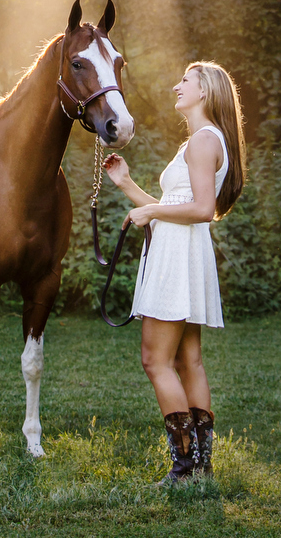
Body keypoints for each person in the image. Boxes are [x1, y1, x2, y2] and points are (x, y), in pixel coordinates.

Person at [103, 61, 246, 483]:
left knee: (156, 360)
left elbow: (204, 210)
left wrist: (151, 209)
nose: (176, 86)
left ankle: (185, 468)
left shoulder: (203, 141)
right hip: (184, 248)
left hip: (179, 254)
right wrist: (129, 186)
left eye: (185, 81)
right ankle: (200, 469)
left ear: (205, 91)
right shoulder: (204, 140)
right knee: (189, 361)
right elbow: (179, 208)